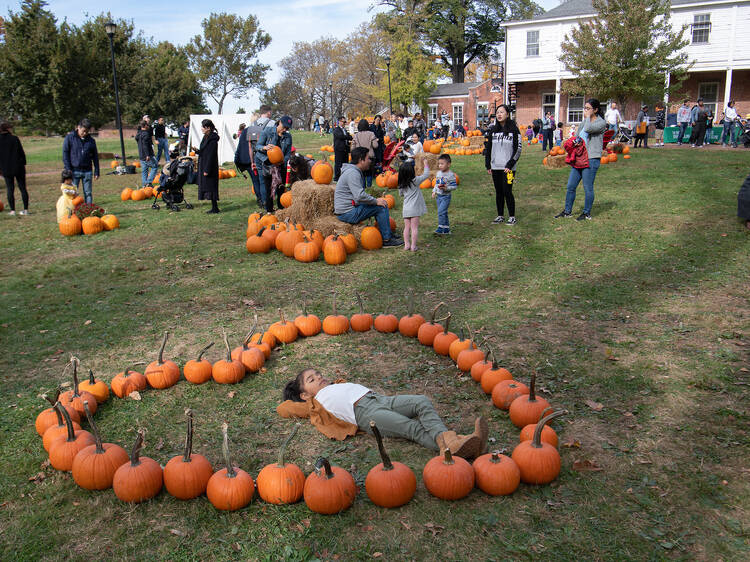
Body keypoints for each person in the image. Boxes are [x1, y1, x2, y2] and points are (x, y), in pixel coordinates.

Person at [278, 368, 488, 457]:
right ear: (305, 394)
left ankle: (452, 443)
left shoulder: (335, 385)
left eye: (318, 374)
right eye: (311, 380)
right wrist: (294, 397)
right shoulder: (313, 403)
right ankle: (456, 445)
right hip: (366, 414)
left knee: (421, 401)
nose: (319, 378)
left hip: (381, 399)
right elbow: (284, 408)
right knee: (412, 428)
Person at [334, 147, 403, 247]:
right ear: (361, 160)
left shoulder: (351, 171)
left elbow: (357, 196)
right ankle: (387, 239)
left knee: (377, 203)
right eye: (368, 158)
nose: (370, 161)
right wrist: (375, 201)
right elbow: (359, 196)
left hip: (347, 209)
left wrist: (371, 200)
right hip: (347, 213)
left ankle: (387, 233)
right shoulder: (353, 173)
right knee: (381, 206)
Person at [554, 98, 606, 221]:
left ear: (596, 110)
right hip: (579, 158)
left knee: (588, 187)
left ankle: (586, 213)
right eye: (585, 108)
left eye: (588, 108)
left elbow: (588, 129)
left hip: (591, 158)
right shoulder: (584, 122)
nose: (585, 110)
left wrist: (588, 117)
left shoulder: (601, 123)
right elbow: (578, 136)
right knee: (571, 186)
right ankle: (567, 211)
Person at [485, 104, 522, 225]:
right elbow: (488, 148)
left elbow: (518, 149)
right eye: (497, 113)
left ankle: (512, 217)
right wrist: (488, 165)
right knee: (499, 191)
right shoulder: (492, 131)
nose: (499, 114)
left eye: (502, 112)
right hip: (496, 167)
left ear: (507, 114)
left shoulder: (514, 130)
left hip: (509, 169)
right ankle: (500, 215)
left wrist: (510, 164)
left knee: (507, 190)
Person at [257, 115, 293, 212]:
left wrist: (282, 161)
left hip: (281, 166)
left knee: (280, 190)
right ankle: (269, 211)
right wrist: (264, 147)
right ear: (279, 122)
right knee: (269, 190)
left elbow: (288, 153)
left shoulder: (288, 137)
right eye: (284, 126)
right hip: (268, 165)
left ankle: (281, 210)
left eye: (287, 128)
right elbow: (258, 146)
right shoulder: (267, 131)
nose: (285, 129)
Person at [61, 118, 99, 204]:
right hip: (74, 171)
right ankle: (72, 212)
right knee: (72, 194)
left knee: (88, 193)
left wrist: (96, 171)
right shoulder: (70, 138)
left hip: (87, 171)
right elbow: (65, 154)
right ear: (78, 127)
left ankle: (88, 211)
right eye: (83, 131)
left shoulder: (91, 141)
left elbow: (95, 157)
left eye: (87, 131)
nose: (85, 133)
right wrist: (68, 168)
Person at [397, 160, 428, 252]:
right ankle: (413, 246)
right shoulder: (416, 181)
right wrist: (426, 165)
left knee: (406, 227)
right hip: (415, 209)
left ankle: (407, 245)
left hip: (406, 209)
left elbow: (400, 194)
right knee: (414, 228)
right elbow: (426, 175)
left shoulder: (401, 184)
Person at [0, 121, 29, 215]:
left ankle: (12, 210)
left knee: (10, 189)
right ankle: (25, 209)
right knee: (22, 188)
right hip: (18, 167)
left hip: (6, 168)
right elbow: (21, 153)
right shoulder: (15, 138)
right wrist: (24, 163)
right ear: (8, 129)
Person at [251, 105, 277, 208]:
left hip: (257, 155)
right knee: (271, 180)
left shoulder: (253, 124)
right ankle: (270, 201)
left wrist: (252, 160)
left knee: (261, 180)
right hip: (269, 155)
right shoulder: (272, 123)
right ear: (269, 112)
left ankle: (264, 202)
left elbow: (251, 144)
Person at [194, 119, 220, 213]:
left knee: (211, 187)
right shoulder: (205, 137)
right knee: (208, 186)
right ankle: (214, 207)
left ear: (208, 128)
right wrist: (197, 151)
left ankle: (215, 207)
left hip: (209, 166)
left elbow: (211, 155)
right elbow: (204, 151)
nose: (201, 129)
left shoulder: (212, 139)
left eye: (203, 127)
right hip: (204, 164)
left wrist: (207, 169)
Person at [432, 153, 457, 235]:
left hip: (446, 197)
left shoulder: (451, 175)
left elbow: (454, 186)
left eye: (442, 164)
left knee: (441, 212)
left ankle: (440, 227)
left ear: (448, 164)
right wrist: (434, 191)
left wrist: (446, 188)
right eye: (439, 164)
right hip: (439, 196)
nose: (440, 165)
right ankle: (446, 228)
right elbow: (436, 183)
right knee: (444, 212)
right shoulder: (439, 173)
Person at [352, 119, 378, 188]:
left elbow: (352, 148)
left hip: (360, 157)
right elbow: (375, 146)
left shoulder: (356, 135)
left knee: (361, 174)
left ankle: (363, 188)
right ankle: (369, 187)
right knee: (369, 173)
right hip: (369, 156)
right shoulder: (371, 134)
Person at [135, 120, 158, 187]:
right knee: (155, 166)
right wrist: (147, 155)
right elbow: (145, 145)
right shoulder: (146, 134)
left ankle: (144, 185)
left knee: (144, 170)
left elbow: (137, 140)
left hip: (141, 154)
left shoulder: (138, 134)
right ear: (145, 126)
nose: (148, 126)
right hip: (147, 155)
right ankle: (148, 182)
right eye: (147, 125)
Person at [333, 116, 353, 181]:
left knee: (345, 164)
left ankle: (344, 176)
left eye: (345, 122)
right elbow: (341, 136)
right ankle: (337, 177)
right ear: (339, 122)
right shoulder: (336, 130)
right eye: (343, 122)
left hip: (345, 149)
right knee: (338, 164)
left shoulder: (344, 130)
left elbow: (349, 136)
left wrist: (349, 137)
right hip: (339, 149)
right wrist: (347, 136)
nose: (344, 123)